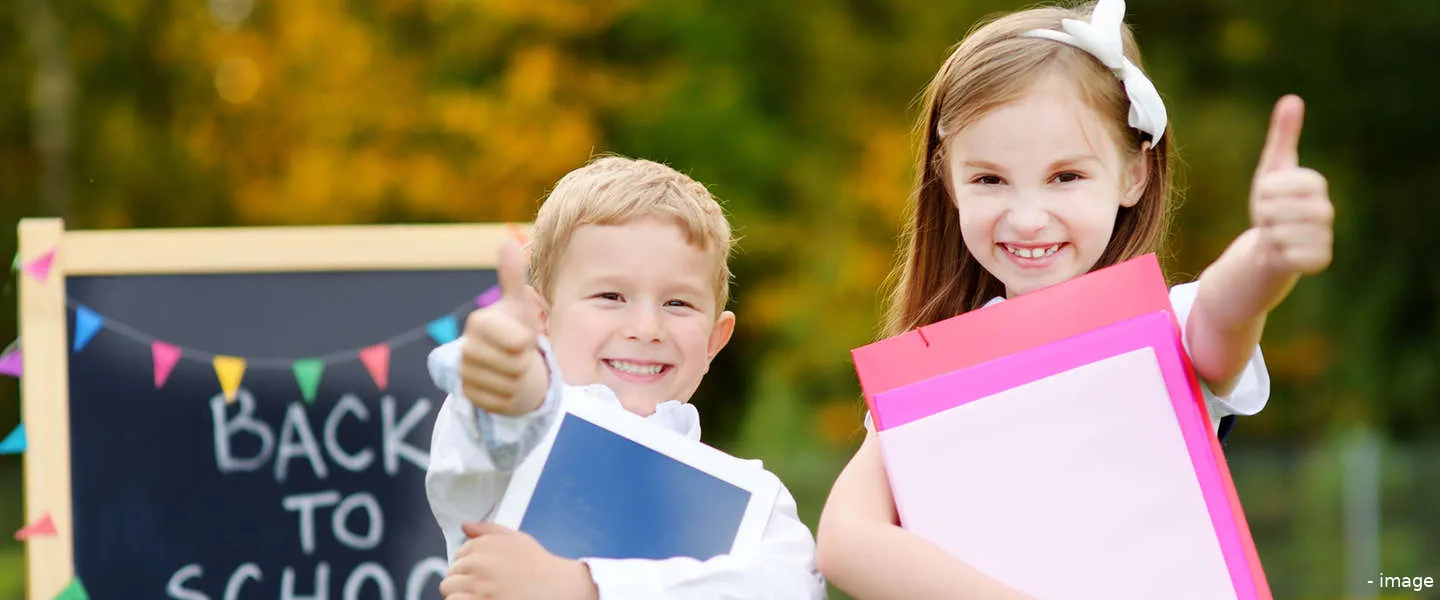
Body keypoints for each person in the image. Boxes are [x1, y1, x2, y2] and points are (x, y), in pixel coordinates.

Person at [814, 0, 1334, 597]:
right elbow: (845, 539)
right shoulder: (934, 374)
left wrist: (1268, 254)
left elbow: (1224, 308)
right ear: (948, 181)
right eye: (989, 179)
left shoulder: (1164, 328)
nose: (1028, 217)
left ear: (1134, 174)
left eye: (1066, 176)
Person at [425, 155, 827, 599]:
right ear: (543, 318)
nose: (646, 328)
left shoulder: (755, 501)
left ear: (715, 340)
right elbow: (485, 426)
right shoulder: (514, 438)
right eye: (610, 295)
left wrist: (586, 587)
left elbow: (788, 588)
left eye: (677, 303)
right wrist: (516, 385)